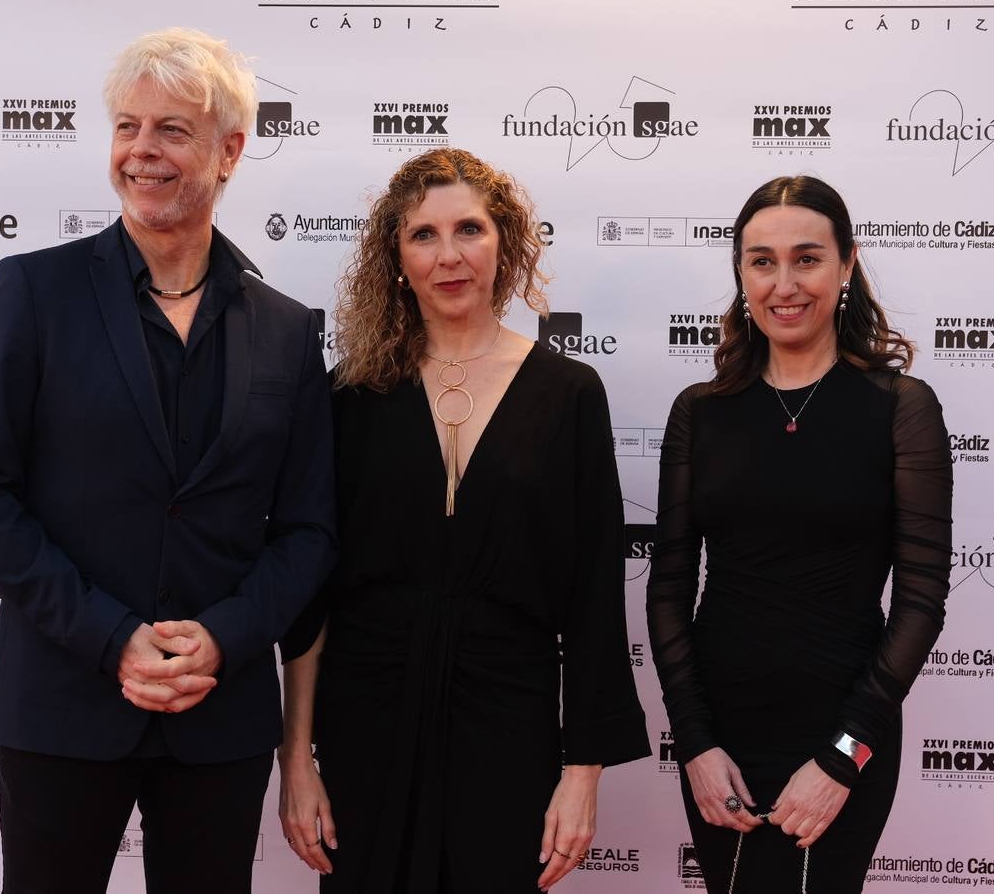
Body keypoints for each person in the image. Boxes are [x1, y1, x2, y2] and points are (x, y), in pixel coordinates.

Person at [0, 28, 335, 894]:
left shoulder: (287, 328)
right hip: (62, 704)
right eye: (127, 127)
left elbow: (309, 532)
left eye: (171, 131)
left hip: (219, 717)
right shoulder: (33, 293)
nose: (141, 153)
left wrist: (225, 640)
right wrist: (112, 638)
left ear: (230, 150)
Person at [277, 147, 649, 894]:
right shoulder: (349, 397)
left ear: (505, 241)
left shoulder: (570, 392)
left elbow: (592, 597)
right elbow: (311, 598)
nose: (449, 257)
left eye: (469, 230)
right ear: (396, 255)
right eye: (423, 235)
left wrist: (582, 774)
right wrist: (296, 762)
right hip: (367, 725)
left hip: (510, 725)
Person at [646, 175, 951, 893]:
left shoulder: (900, 408)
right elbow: (667, 592)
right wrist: (694, 743)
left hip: (843, 733)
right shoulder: (702, 411)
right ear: (741, 273)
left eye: (807, 258)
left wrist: (844, 758)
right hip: (721, 738)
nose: (784, 284)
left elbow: (921, 602)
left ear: (846, 265)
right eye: (761, 261)